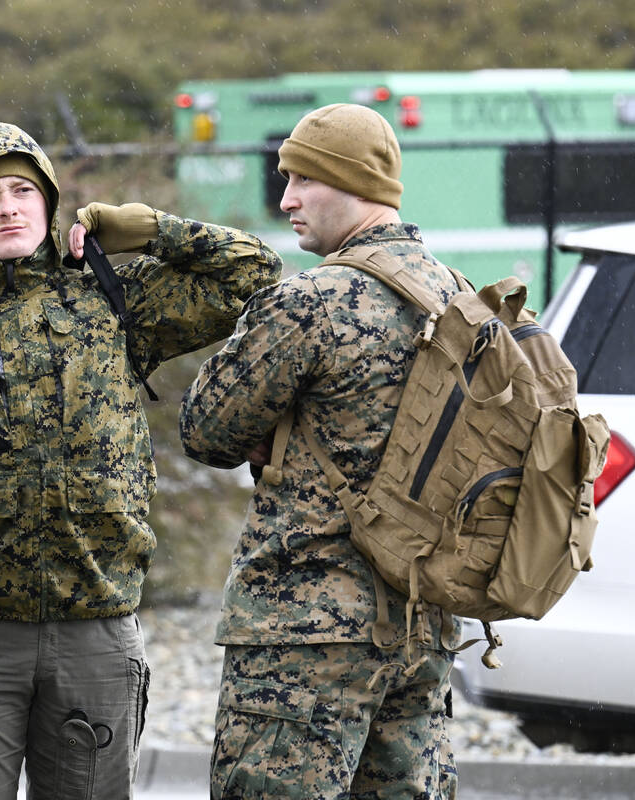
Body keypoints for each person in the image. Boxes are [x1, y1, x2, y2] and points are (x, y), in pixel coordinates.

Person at [0, 120, 281, 800]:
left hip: (94, 623)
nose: (8, 208)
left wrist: (149, 230)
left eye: (23, 191)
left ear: (49, 203)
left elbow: (254, 275)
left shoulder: (107, 296)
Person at [178, 103, 462, 799]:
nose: (287, 199)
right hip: (423, 628)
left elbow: (205, 430)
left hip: (303, 635)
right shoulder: (458, 298)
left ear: (355, 184)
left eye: (305, 179)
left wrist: (277, 429)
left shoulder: (310, 301)